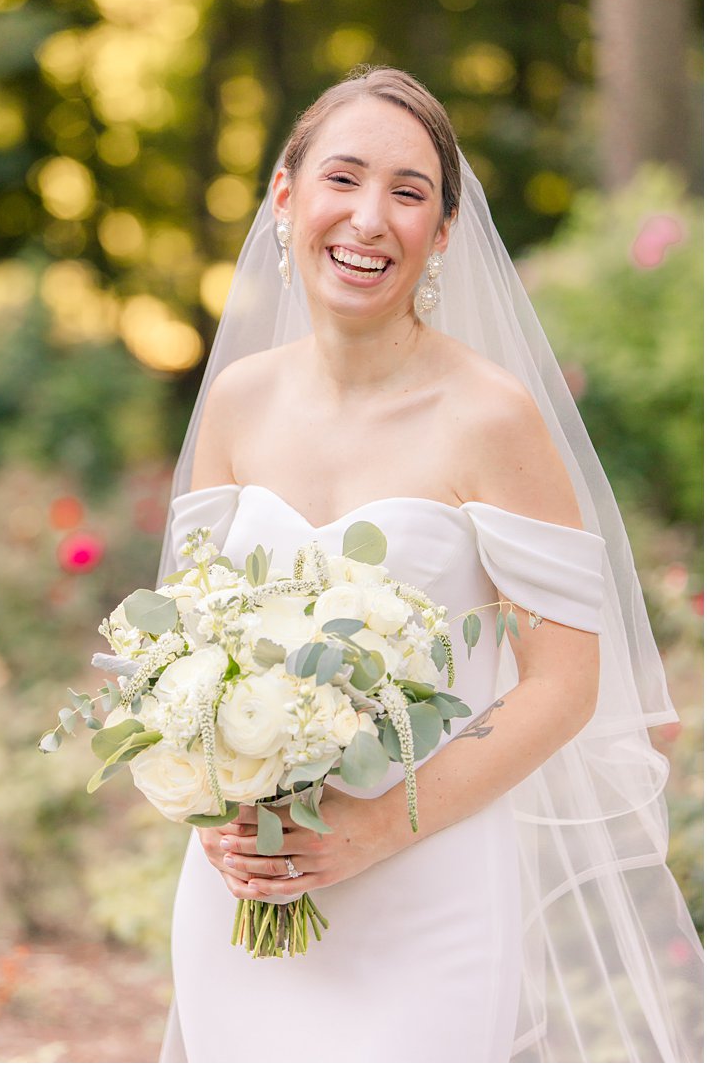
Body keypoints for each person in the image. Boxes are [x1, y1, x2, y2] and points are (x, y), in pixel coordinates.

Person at [157, 67, 701, 1061]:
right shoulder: (235, 399)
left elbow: (563, 682)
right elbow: (188, 643)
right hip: (246, 886)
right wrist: (208, 804)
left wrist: (373, 826)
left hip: (428, 890)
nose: (368, 219)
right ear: (285, 198)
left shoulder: (489, 417)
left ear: (442, 232)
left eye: (408, 193)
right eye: (342, 178)